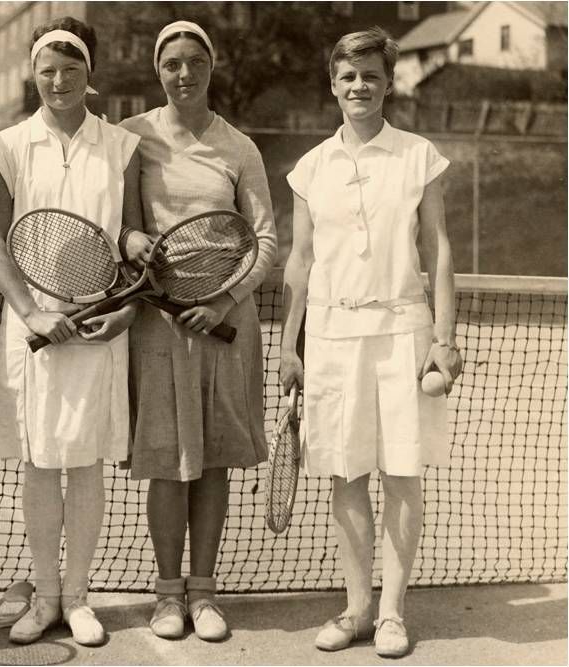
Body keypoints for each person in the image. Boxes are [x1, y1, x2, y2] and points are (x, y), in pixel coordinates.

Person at [280, 27, 463, 658]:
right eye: (348, 76)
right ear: (332, 84)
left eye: (372, 76)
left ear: (388, 84)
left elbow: (438, 248)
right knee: (346, 476)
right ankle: (356, 608)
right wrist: (289, 345)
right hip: (331, 336)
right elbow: (299, 262)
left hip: (403, 333)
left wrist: (444, 337)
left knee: (402, 474)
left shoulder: (419, 156)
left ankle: (390, 613)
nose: (359, 86)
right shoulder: (309, 168)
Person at [0, 17, 142, 647]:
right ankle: (45, 597)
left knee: (85, 465)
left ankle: (77, 597)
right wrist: (30, 311)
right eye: (47, 69)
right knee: (41, 465)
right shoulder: (5, 145)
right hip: (34, 328)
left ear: (89, 73)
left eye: (70, 69)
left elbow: (128, 233)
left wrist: (126, 304)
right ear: (32, 73)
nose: (58, 80)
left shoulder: (122, 146)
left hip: (100, 323)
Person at [119, 20, 277, 642]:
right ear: (157, 71)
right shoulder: (132, 139)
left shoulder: (240, 147)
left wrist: (226, 301)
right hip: (158, 327)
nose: (183, 74)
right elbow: (122, 227)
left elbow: (264, 241)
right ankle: (166, 594)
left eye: (194, 62)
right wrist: (134, 242)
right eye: (171, 63)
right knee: (167, 463)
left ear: (211, 68)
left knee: (211, 463)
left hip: (225, 323)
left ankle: (205, 592)